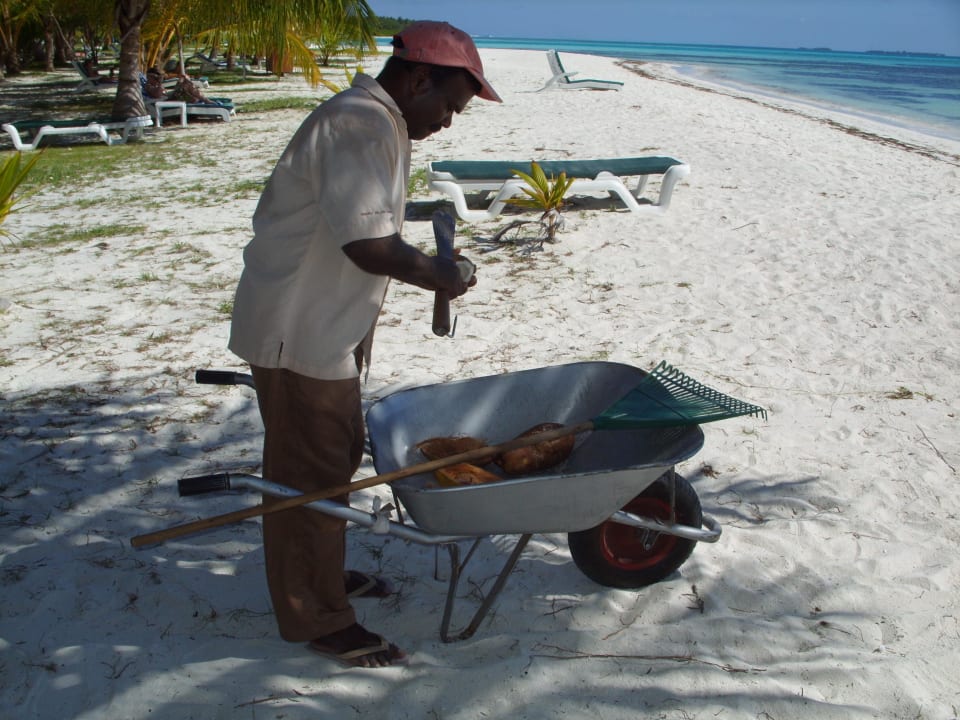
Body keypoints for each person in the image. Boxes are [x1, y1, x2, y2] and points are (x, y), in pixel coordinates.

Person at [227, 21, 501, 668]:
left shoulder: (382, 123)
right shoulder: (359, 124)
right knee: (307, 475)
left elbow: (370, 223)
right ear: (419, 78)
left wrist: (433, 265)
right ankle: (317, 618)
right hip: (302, 333)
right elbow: (367, 244)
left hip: (325, 327)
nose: (449, 122)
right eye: (450, 106)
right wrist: (438, 274)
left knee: (330, 462)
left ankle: (320, 577)